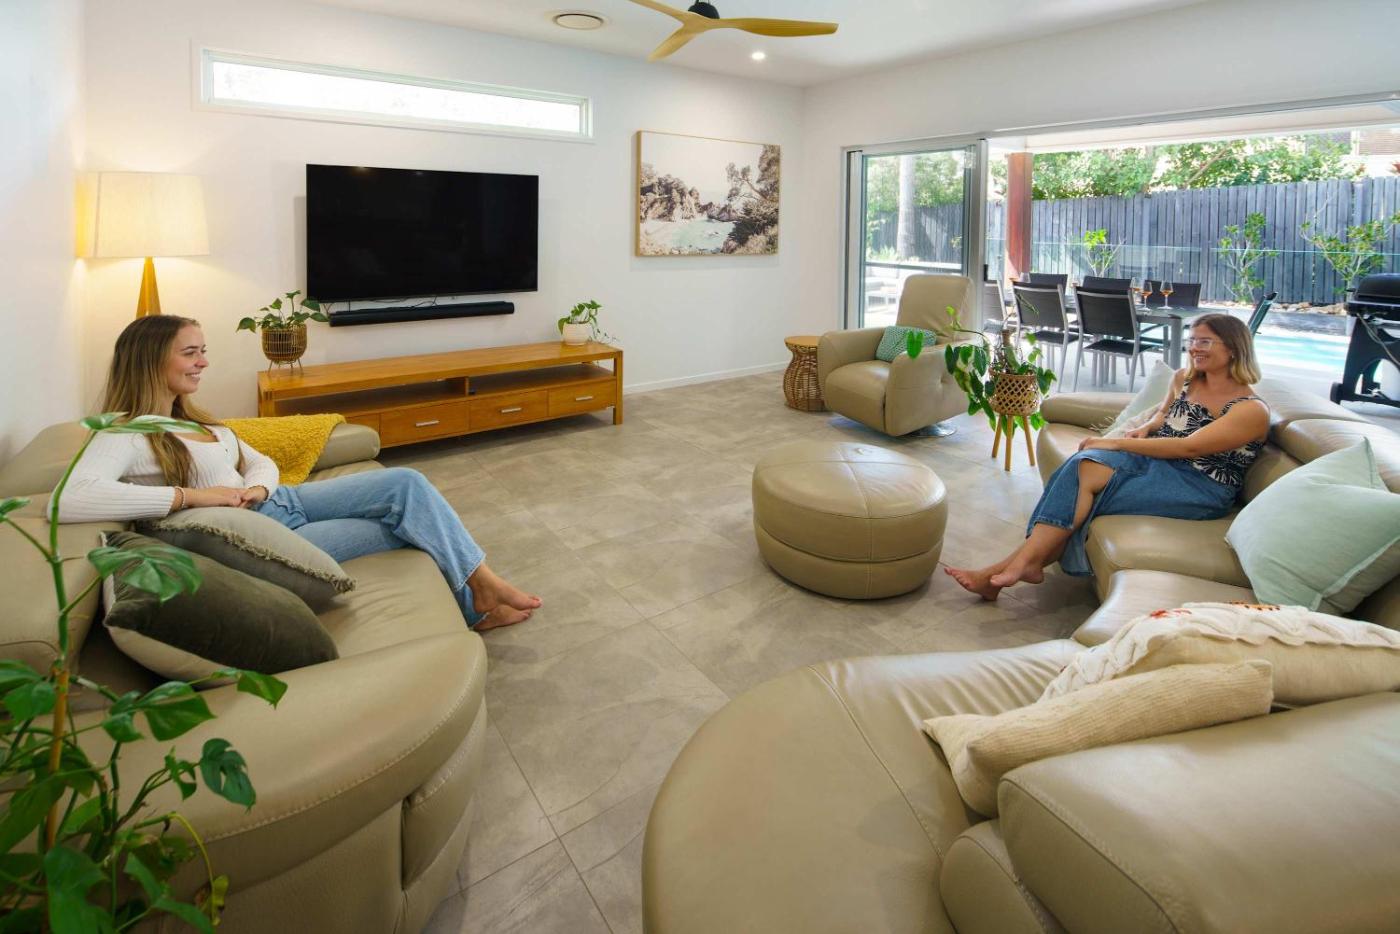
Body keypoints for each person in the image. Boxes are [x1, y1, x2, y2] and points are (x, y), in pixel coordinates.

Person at [55, 315, 540, 630]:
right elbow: (71, 497)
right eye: (190, 353)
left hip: (280, 499)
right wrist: (192, 497)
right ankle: (478, 601)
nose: (204, 362)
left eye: (203, 350)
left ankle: (481, 583)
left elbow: (258, 459)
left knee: (407, 485)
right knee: (407, 525)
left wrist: (258, 485)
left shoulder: (191, 419)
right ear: (149, 359)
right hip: (267, 536)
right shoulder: (125, 432)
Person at [946, 313, 1269, 602]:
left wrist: (1116, 443)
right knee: (1081, 465)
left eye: (1205, 341)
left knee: (1085, 493)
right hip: (1158, 464)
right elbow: (1164, 413)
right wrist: (1147, 427)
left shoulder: (1249, 410)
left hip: (1198, 487)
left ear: (1233, 348)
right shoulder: (1185, 378)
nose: (1195, 348)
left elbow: (1189, 448)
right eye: (1192, 340)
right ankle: (1019, 567)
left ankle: (1005, 571)